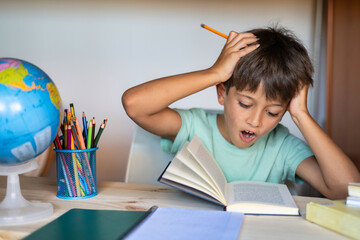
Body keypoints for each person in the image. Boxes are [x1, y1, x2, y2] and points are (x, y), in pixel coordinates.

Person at [122, 26, 360, 199]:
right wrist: (214, 73)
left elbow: (346, 190)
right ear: (222, 93)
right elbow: (134, 104)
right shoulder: (195, 127)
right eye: (245, 104)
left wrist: (301, 114)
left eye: (273, 112)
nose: (255, 121)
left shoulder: (282, 147)